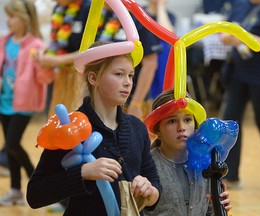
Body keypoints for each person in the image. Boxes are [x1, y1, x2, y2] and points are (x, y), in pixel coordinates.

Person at [27, 41, 161, 215]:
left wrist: (149, 191)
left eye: (130, 75)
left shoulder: (137, 128)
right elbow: (35, 194)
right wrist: (83, 173)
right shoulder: (70, 128)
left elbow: (154, 185)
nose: (128, 83)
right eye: (119, 74)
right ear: (93, 78)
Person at [219, 0, 260, 188]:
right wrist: (226, 36)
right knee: (230, 122)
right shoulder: (239, 4)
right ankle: (230, 175)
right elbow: (225, 29)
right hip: (238, 73)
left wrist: (244, 38)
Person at [143, 89, 232, 215]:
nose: (181, 128)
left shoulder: (206, 164)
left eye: (187, 120)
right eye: (172, 121)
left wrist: (219, 206)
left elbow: (209, 211)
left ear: (195, 126)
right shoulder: (147, 167)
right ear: (157, 130)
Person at [0, 0, 46, 206]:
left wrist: (44, 64)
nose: (8, 21)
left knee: (12, 143)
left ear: (25, 19)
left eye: (12, 16)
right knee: (11, 148)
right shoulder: (4, 41)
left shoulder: (36, 45)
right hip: (4, 102)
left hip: (23, 104)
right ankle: (16, 190)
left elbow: (45, 79)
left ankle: (38, 182)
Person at [33, 0, 91, 117]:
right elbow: (58, 42)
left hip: (81, 78)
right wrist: (44, 53)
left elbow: (91, 49)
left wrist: (58, 60)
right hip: (59, 77)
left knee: (74, 119)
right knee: (54, 118)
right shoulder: (58, 8)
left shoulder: (88, 8)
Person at [144, 0, 176, 100]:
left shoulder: (169, 16)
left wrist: (161, 6)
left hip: (162, 60)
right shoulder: (140, 12)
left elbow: (167, 34)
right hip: (145, 58)